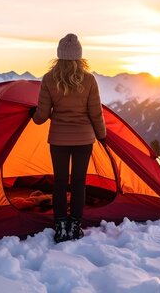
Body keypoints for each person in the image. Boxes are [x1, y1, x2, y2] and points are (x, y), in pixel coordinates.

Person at [31, 33, 106, 243]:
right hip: (84, 140)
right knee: (79, 183)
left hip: (58, 140)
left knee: (60, 183)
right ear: (79, 56)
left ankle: (60, 225)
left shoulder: (48, 79)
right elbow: (96, 113)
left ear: (59, 55)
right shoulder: (89, 80)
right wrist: (102, 135)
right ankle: (75, 225)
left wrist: (33, 115)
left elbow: (41, 116)